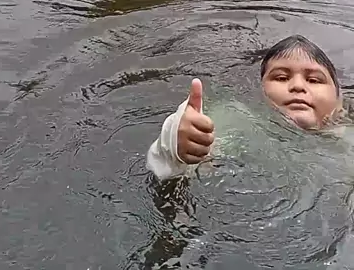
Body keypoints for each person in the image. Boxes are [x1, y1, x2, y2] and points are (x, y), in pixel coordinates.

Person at [146, 34, 346, 180]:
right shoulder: (238, 121)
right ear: (260, 92)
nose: (298, 86)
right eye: (281, 77)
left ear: (339, 102)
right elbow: (186, 164)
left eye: (314, 80)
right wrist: (176, 145)